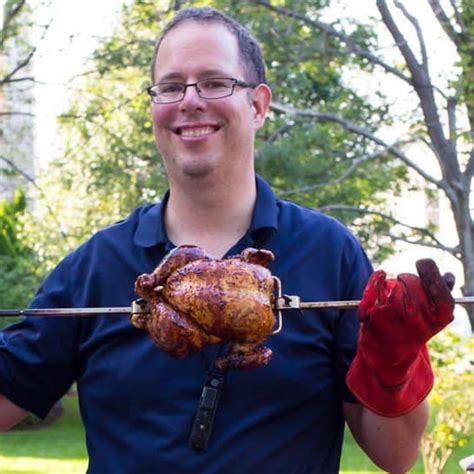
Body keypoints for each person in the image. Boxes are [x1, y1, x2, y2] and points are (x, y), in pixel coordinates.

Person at [0, 7, 454, 474]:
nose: (189, 101)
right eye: (171, 86)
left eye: (215, 82)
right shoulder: (97, 265)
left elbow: (396, 456)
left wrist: (395, 360)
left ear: (257, 105)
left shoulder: (329, 253)